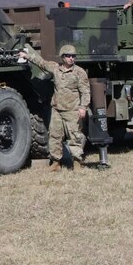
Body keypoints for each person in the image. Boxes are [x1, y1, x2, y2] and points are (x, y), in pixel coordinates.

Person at [23, 43, 91, 171]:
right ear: (62, 57)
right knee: (54, 136)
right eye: (68, 56)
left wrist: (83, 107)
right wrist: (26, 56)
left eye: (73, 56)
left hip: (72, 110)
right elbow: (41, 63)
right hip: (57, 109)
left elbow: (85, 92)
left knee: (75, 136)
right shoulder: (55, 68)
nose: (71, 58)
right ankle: (56, 163)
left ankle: (77, 162)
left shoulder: (79, 72)